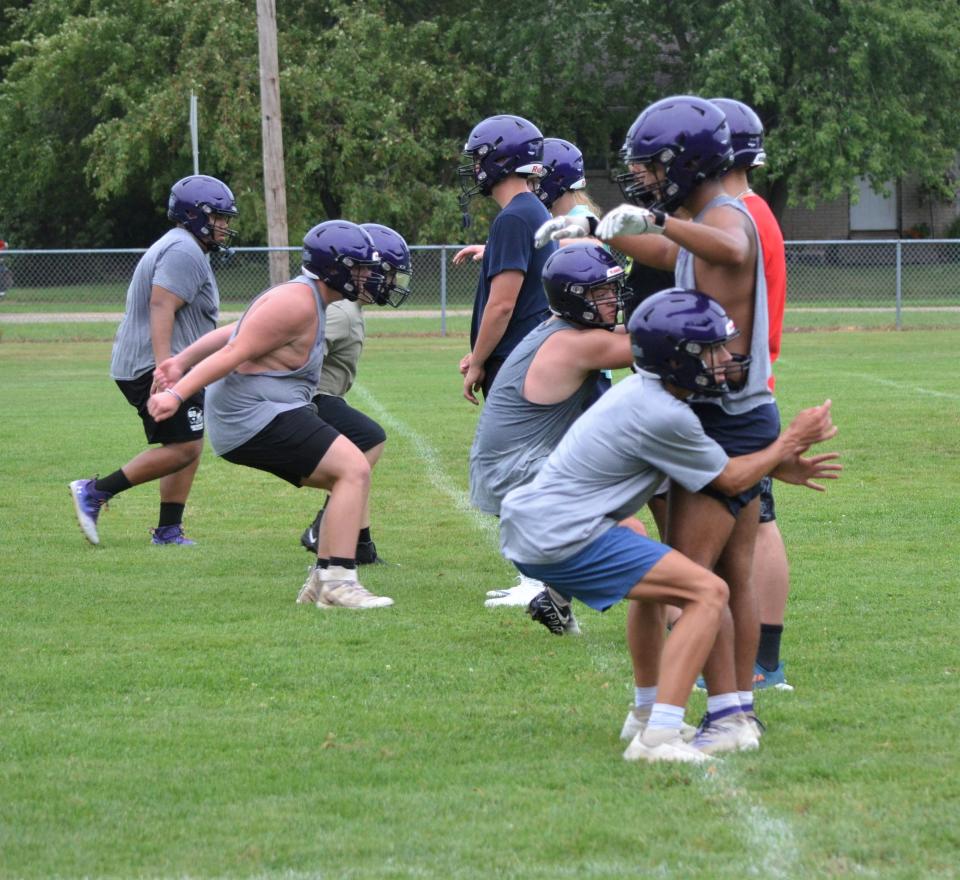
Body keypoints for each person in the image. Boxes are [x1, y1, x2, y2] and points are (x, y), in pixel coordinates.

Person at [498, 289, 839, 763]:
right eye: (710, 350)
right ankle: (656, 739)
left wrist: (781, 466)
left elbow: (715, 463)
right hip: (560, 534)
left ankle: (643, 713)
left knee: (658, 579)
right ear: (675, 359)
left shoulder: (648, 395)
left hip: (541, 526)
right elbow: (730, 477)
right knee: (707, 592)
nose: (723, 360)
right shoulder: (665, 413)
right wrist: (787, 443)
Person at [538, 95, 778, 752]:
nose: (643, 177)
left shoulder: (726, 215)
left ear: (686, 161)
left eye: (651, 166)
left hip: (725, 412)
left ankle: (712, 717)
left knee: (686, 576)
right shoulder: (701, 217)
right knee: (726, 573)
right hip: (733, 409)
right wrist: (591, 227)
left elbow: (728, 247)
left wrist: (659, 218)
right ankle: (735, 711)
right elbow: (654, 251)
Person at [146, 220, 393, 610]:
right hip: (253, 415)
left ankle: (323, 578)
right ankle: (338, 583)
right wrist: (177, 393)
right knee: (354, 469)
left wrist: (181, 360)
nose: (368, 276)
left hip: (266, 410)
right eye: (360, 267)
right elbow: (234, 352)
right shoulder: (296, 301)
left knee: (349, 472)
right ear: (336, 267)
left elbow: (233, 331)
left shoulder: (309, 298)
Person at [70, 174, 238, 546]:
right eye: (219, 218)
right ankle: (95, 491)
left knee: (188, 442)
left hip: (170, 361)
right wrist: (166, 368)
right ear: (195, 215)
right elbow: (161, 304)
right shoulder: (183, 250)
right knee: (185, 447)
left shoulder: (185, 246)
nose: (225, 226)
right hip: (156, 363)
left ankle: (168, 530)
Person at [469, 244, 635, 614]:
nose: (613, 299)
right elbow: (653, 345)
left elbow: (625, 332)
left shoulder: (560, 328)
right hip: (517, 470)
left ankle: (555, 600)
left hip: (514, 462)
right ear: (574, 298)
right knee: (628, 535)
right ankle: (686, 609)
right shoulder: (576, 344)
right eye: (601, 292)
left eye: (613, 289)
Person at [710, 97, 793, 690]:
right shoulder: (745, 209)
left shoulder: (739, 214)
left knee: (753, 526)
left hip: (738, 390)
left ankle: (763, 658)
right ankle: (752, 655)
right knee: (750, 524)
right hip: (748, 382)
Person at [299, 222, 412, 565]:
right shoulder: (341, 311)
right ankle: (325, 527)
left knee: (359, 459)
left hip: (323, 396)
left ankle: (361, 545)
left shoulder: (349, 307)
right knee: (369, 439)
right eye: (387, 274)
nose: (391, 284)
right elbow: (300, 350)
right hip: (312, 398)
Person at [456, 114, 555, 403]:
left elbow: (502, 305)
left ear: (499, 161)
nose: (475, 168)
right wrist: (479, 353)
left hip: (515, 359)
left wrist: (477, 363)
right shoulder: (534, 209)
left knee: (506, 449)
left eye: (478, 159)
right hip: (527, 354)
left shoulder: (514, 217)